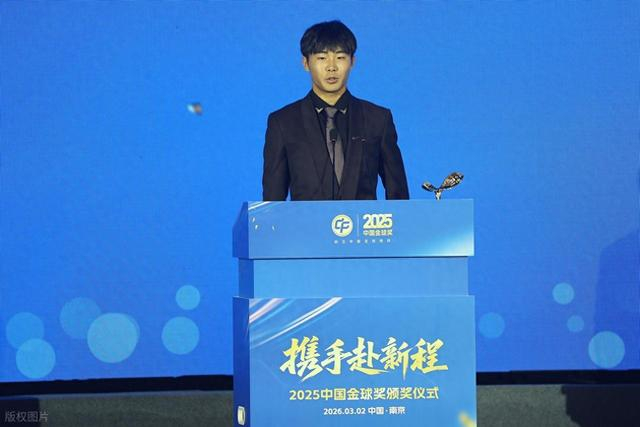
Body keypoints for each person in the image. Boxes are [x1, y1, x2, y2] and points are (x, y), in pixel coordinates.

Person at [262, 20, 410, 201]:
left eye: (340, 57)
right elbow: (272, 202)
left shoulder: (378, 119)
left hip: (363, 220)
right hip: (307, 221)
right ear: (306, 63)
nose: (331, 67)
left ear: (352, 61)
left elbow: (399, 195)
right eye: (322, 58)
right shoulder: (283, 122)